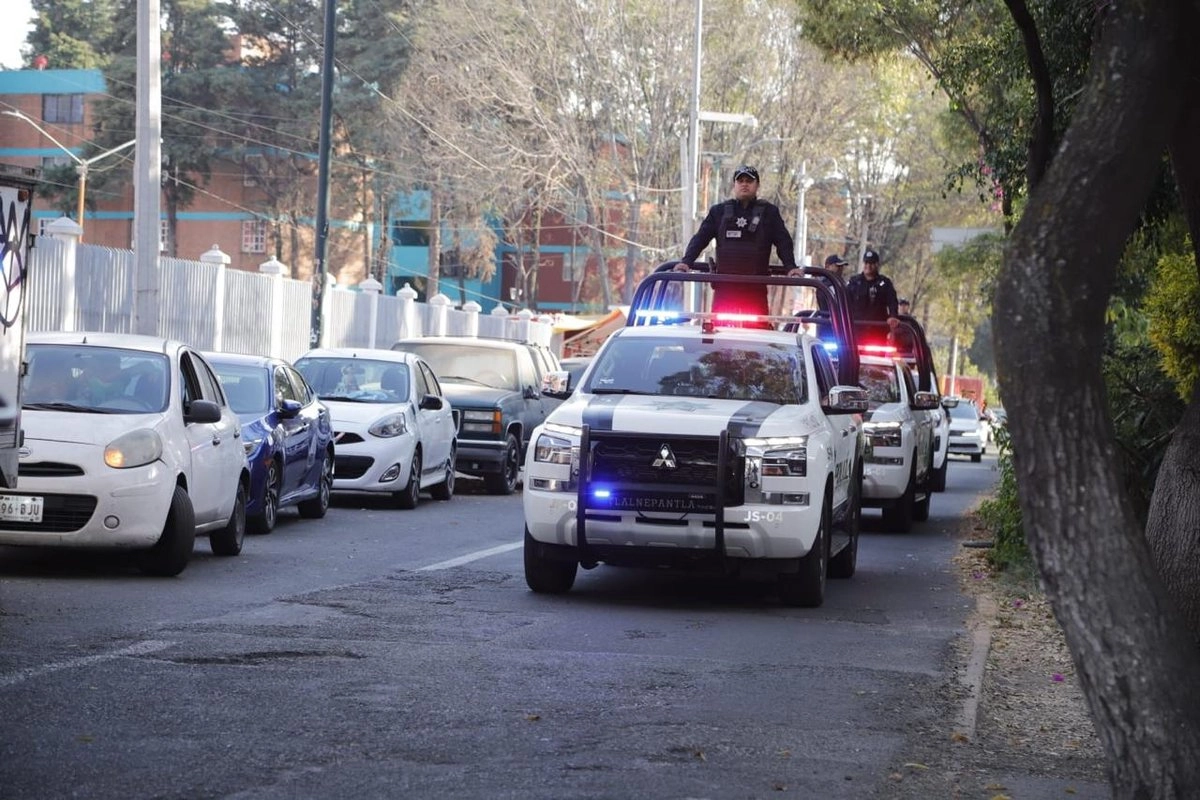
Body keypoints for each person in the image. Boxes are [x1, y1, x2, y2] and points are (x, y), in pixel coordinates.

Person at [674, 165, 800, 316]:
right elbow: (701, 238)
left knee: (758, 335)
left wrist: (790, 267)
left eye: (749, 181)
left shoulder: (769, 212)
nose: (744, 184)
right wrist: (686, 262)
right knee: (718, 334)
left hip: (755, 289)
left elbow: (783, 242)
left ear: (757, 185)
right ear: (734, 185)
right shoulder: (718, 212)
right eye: (740, 180)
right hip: (724, 289)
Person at [846, 248, 899, 323]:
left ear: (877, 264)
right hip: (856, 326)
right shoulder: (854, 282)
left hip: (878, 326)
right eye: (866, 263)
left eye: (871, 263)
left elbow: (892, 302)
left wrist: (893, 316)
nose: (868, 266)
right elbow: (845, 300)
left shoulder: (885, 283)